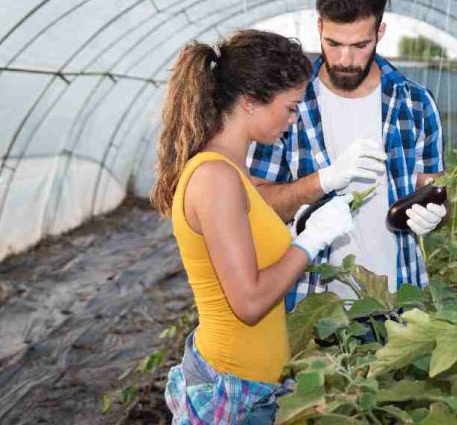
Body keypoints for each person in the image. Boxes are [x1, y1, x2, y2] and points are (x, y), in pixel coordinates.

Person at [150, 31, 355, 424]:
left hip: (251, 387)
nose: (292, 120)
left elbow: (260, 228)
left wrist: (310, 207)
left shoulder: (232, 171)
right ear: (250, 102)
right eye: (290, 107)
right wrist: (310, 241)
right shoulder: (215, 177)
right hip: (231, 392)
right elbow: (249, 302)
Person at [248, 0, 447, 310]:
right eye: (334, 44)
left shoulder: (415, 103)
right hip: (310, 302)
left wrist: (437, 213)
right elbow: (257, 203)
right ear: (320, 28)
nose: (345, 59)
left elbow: (433, 186)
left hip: (398, 298)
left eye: (360, 45)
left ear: (380, 33)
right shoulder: (287, 104)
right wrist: (322, 182)